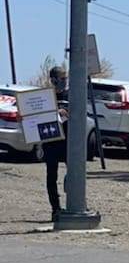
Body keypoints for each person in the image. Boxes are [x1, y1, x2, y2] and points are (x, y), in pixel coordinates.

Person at [42, 67, 69, 223]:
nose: (64, 81)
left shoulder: (71, 95)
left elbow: (79, 113)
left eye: (65, 78)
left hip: (68, 142)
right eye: (61, 78)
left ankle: (74, 203)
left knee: (74, 173)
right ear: (53, 80)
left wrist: (65, 112)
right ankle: (55, 208)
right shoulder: (44, 97)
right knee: (51, 176)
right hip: (50, 141)